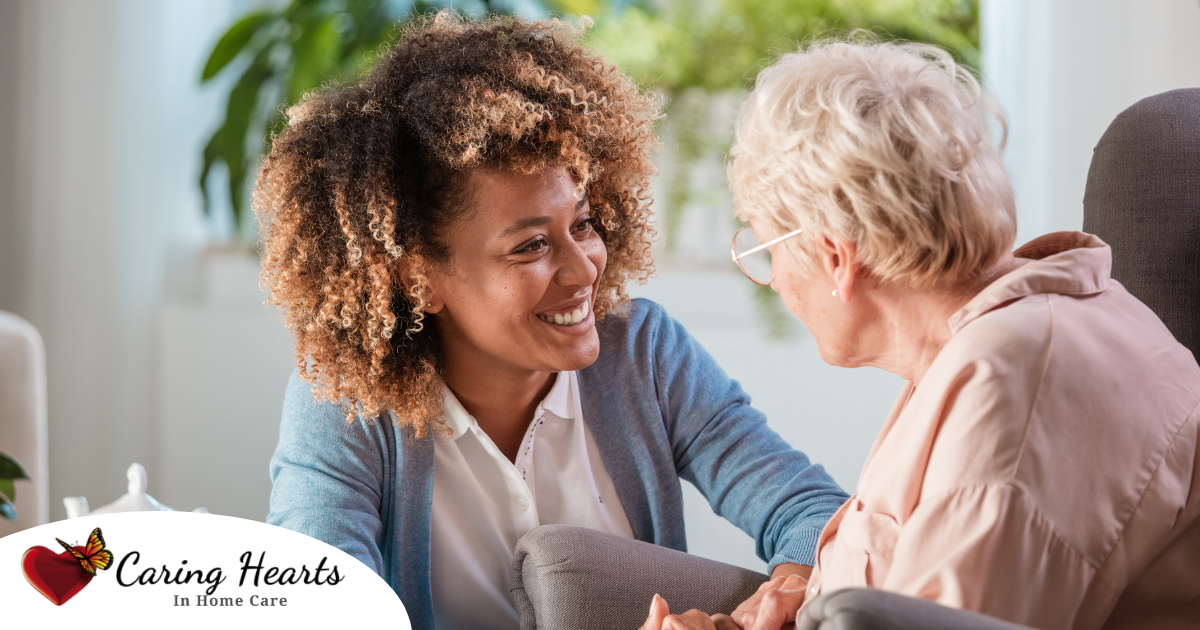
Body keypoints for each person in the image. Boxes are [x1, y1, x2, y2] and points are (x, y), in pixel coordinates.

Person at [258, 12, 849, 630]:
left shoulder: (644, 353)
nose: (584, 269)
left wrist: (777, 600)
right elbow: (318, 605)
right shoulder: (347, 401)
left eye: (584, 225)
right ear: (418, 278)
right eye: (531, 247)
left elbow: (812, 512)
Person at [644, 37, 1200, 630]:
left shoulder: (1013, 387)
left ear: (836, 257)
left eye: (765, 248)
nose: (773, 281)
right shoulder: (987, 346)